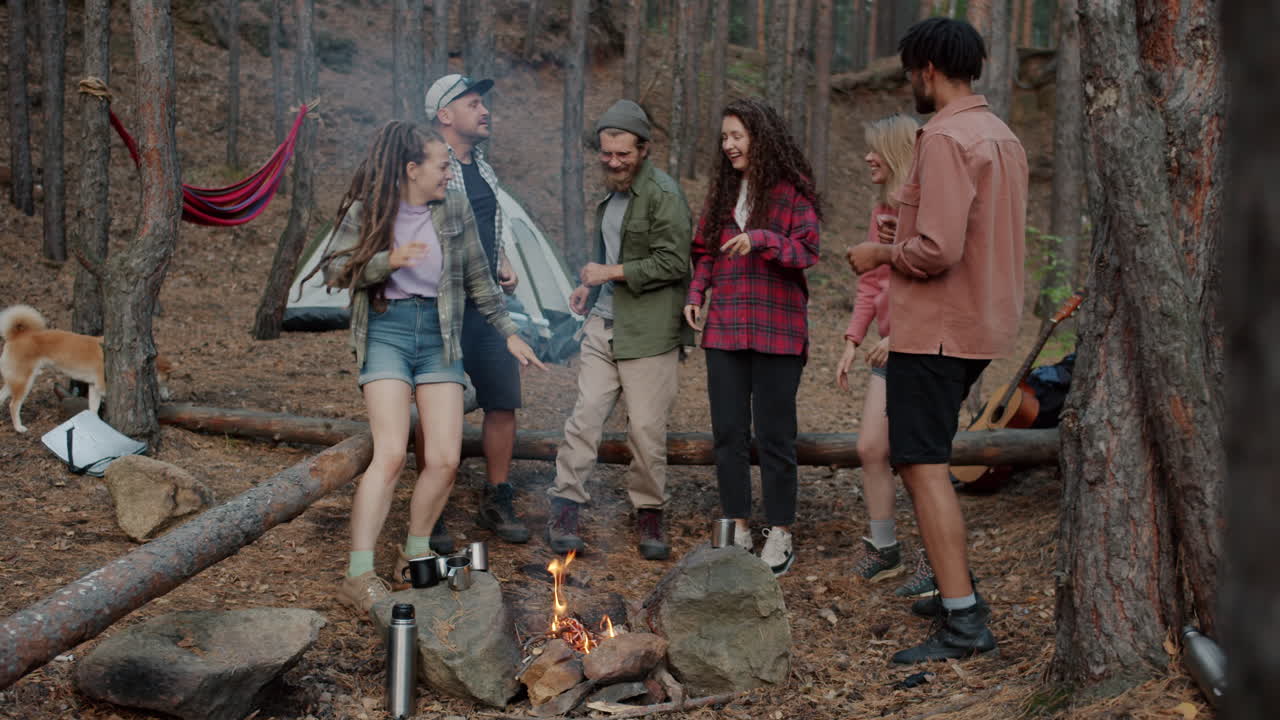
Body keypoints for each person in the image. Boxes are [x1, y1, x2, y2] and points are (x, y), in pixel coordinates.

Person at [848, 17, 1028, 663]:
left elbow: (938, 249)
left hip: (938, 331)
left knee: (922, 465)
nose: (910, 84)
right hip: (978, 326)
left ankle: (963, 623)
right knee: (927, 460)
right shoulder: (1001, 135)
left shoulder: (947, 136)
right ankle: (957, 585)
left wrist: (879, 251)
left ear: (927, 68)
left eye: (909, 72)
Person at [316, 121, 544, 615]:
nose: (448, 174)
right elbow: (334, 270)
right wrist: (386, 261)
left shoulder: (454, 210)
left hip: (439, 336)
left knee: (444, 458)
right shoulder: (370, 210)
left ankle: (413, 553)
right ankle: (357, 575)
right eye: (441, 166)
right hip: (386, 332)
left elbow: (481, 281)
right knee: (393, 454)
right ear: (412, 169)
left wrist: (509, 332)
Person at [545, 100, 693, 561]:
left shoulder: (664, 195)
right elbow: (606, 254)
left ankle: (649, 511)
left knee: (646, 430)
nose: (612, 162)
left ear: (644, 149)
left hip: (648, 332)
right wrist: (587, 289)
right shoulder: (611, 196)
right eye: (606, 153)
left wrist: (609, 274)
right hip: (602, 324)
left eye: (622, 154)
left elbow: (674, 261)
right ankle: (566, 506)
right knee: (585, 416)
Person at [684, 98, 821, 577]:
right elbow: (704, 251)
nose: (729, 145)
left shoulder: (791, 190)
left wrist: (760, 238)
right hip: (725, 327)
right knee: (728, 433)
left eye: (737, 136)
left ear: (760, 137)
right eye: (724, 138)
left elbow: (807, 251)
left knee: (776, 435)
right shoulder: (722, 194)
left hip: (779, 329)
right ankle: (736, 523)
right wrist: (697, 293)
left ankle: (780, 529)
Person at [419, 74, 528, 550]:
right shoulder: (426, 165)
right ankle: (433, 505)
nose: (484, 111)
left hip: (487, 304)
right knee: (435, 404)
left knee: (503, 399)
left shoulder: (483, 167)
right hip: (441, 304)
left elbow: (485, 226)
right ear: (445, 115)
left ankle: (496, 496)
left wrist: (499, 259)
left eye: (483, 103)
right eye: (473, 103)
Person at [837, 113, 940, 598]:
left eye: (875, 148)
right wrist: (852, 341)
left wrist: (899, 337)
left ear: (899, 152)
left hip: (923, 348)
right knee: (871, 448)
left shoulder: (928, 212)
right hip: (886, 348)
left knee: (914, 457)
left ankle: (933, 557)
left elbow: (941, 288)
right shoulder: (882, 211)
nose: (867, 157)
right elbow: (873, 282)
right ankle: (884, 550)